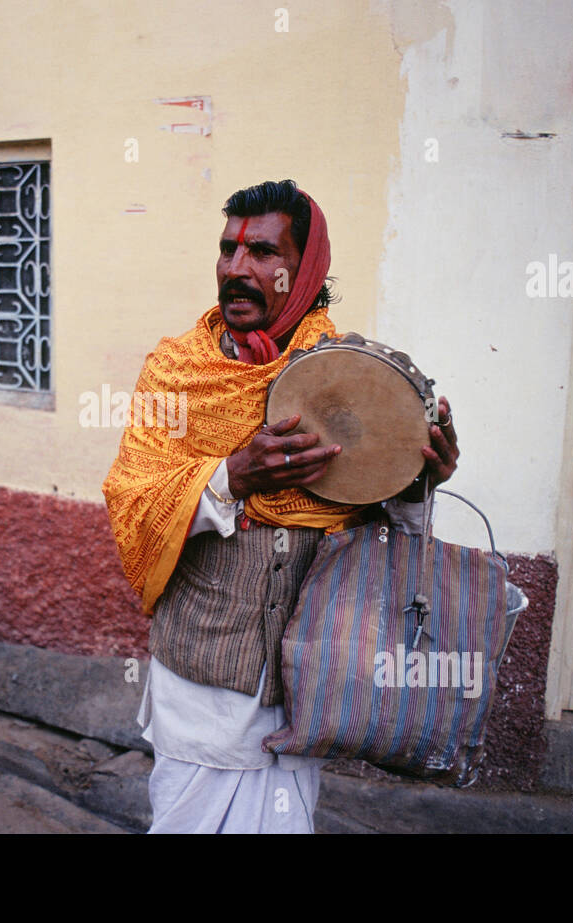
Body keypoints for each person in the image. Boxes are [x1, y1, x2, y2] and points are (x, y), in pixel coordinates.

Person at [102, 180, 459, 833]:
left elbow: (388, 535)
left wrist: (418, 478)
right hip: (201, 692)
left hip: (306, 690)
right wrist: (229, 477)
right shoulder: (174, 372)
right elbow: (133, 496)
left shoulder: (354, 378)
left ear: (304, 269)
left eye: (263, 252)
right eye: (228, 249)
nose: (237, 269)